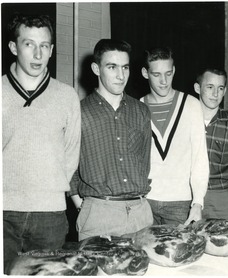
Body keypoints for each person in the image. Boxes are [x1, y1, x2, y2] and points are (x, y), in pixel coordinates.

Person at [2, 14, 81, 274]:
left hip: (50, 215)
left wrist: (48, 188)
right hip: (4, 212)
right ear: (14, 48)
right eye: (29, 44)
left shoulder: (67, 96)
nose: (38, 54)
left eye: (44, 45)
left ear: (51, 50)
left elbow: (71, 153)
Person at [69, 39, 153, 241]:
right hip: (99, 214)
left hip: (140, 214)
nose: (121, 75)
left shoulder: (141, 111)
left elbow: (144, 161)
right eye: (112, 67)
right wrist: (81, 204)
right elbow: (68, 166)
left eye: (125, 67)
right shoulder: (78, 112)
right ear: (96, 68)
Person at [140, 47, 209, 226]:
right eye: (156, 74)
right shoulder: (137, 107)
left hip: (181, 203)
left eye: (168, 73)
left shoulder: (191, 105)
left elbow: (200, 158)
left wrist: (198, 202)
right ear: (145, 73)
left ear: (174, 71)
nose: (164, 81)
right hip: (145, 202)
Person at [194, 67, 228, 221]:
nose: (215, 94)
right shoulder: (184, 121)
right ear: (197, 88)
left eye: (220, 88)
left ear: (225, 91)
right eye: (210, 87)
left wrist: (223, 184)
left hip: (221, 198)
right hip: (187, 197)